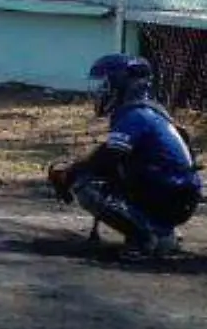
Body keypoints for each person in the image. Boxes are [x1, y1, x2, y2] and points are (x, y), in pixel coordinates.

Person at [49, 54, 201, 261]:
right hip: (179, 193)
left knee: (87, 184)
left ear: (123, 84)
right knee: (102, 173)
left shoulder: (134, 115)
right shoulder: (150, 112)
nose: (103, 89)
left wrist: (71, 173)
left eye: (108, 82)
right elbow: (109, 153)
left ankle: (145, 238)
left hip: (171, 194)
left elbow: (108, 158)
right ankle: (163, 233)